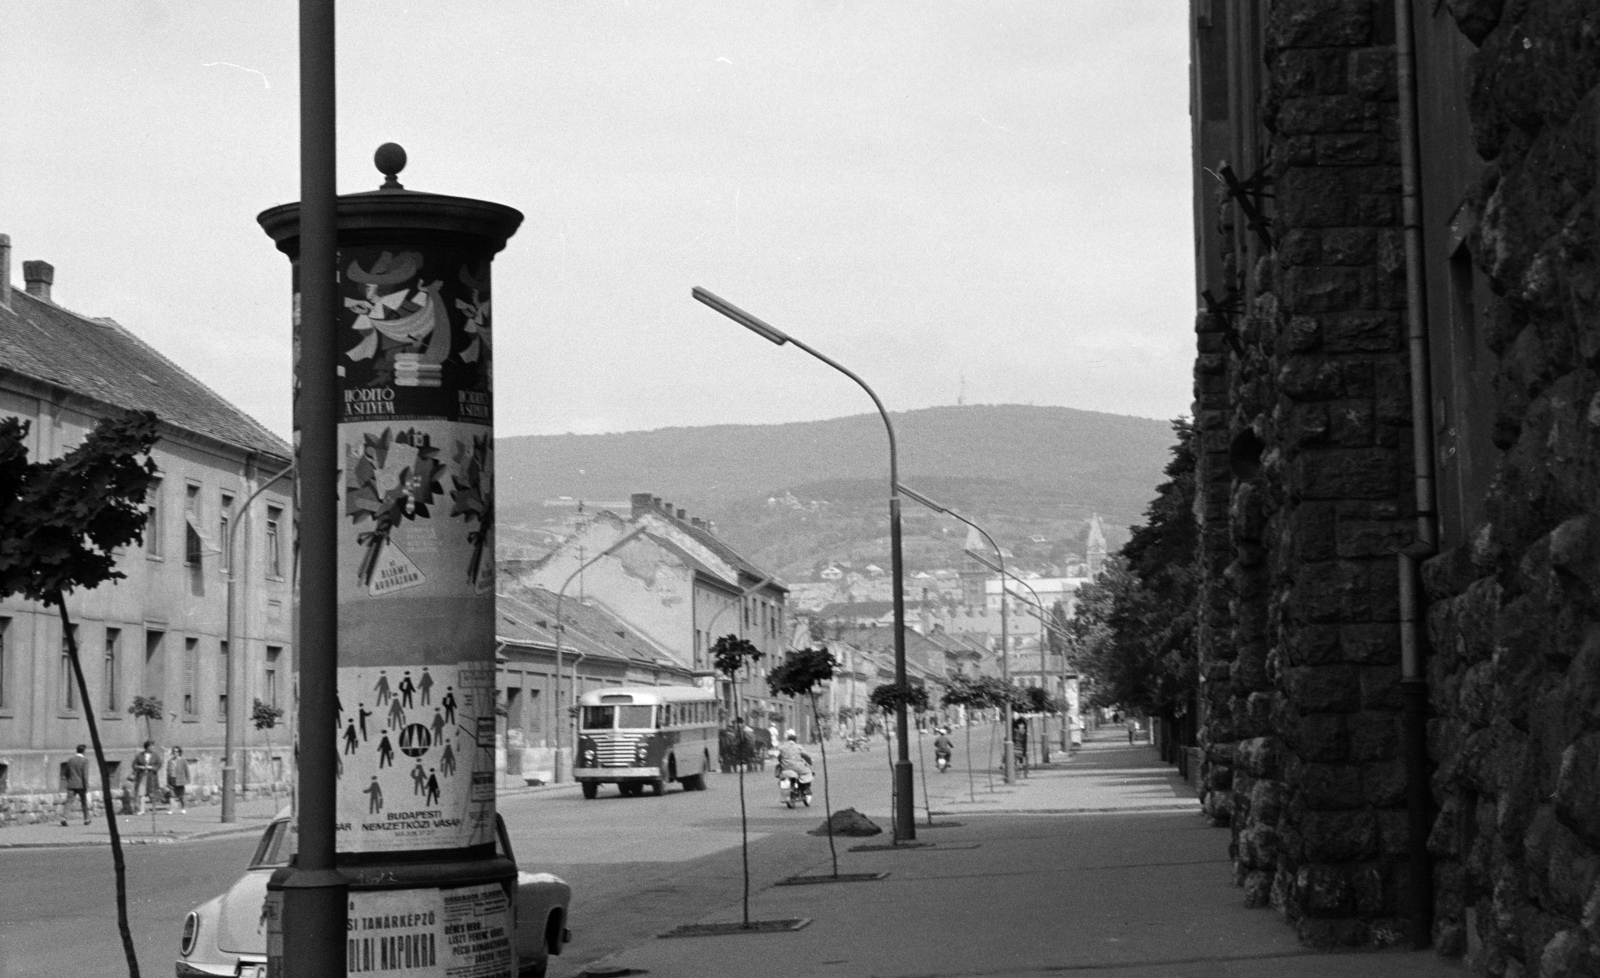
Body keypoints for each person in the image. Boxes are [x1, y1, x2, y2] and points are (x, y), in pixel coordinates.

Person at [63, 744, 90, 826]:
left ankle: (64, 817)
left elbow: (66, 773)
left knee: (69, 802)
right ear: (84, 751)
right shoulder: (85, 760)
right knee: (84, 802)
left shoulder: (70, 760)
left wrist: (69, 780)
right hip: (81, 785)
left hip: (71, 784)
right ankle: (86, 819)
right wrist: (86, 785)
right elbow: (85, 774)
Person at [131, 741, 160, 815]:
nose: (152, 748)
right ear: (147, 747)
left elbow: (159, 765)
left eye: (153, 746)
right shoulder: (140, 755)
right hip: (142, 776)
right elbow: (134, 764)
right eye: (151, 746)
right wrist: (140, 767)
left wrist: (152, 767)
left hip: (151, 777)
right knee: (141, 793)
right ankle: (142, 810)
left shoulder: (155, 756)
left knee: (151, 793)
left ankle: (154, 808)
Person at [166, 746, 191, 814]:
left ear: (179, 752)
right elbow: (168, 772)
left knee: (181, 796)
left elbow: (187, 770)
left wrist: (188, 780)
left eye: (176, 751)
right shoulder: (170, 761)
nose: (175, 753)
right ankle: (171, 809)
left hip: (180, 780)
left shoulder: (183, 760)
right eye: (174, 751)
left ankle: (183, 807)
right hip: (172, 780)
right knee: (171, 795)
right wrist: (167, 781)